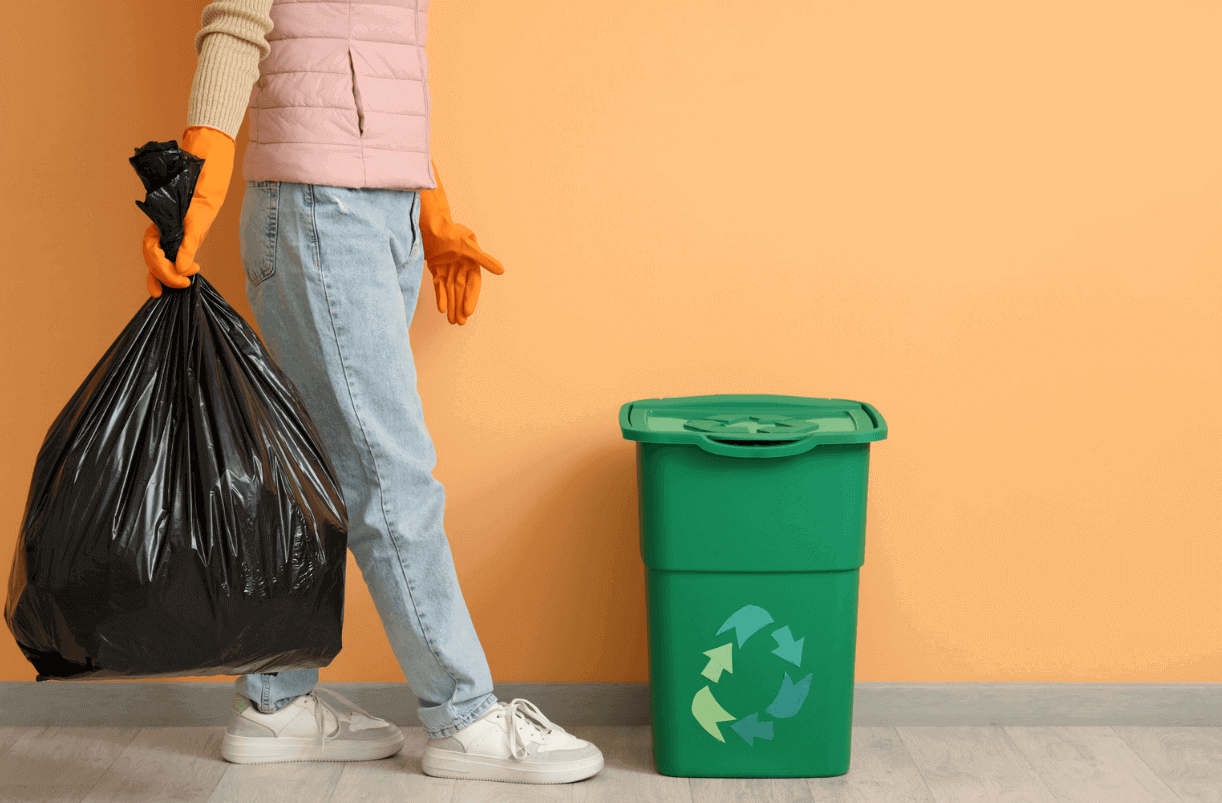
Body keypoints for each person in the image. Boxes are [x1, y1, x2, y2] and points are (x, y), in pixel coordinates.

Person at [142, 0, 604, 785]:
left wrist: (427, 202)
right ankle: (463, 712)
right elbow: (235, 22)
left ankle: (277, 702)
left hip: (372, 205)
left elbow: (369, 56)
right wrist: (198, 175)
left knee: (316, 471)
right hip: (322, 206)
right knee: (392, 475)